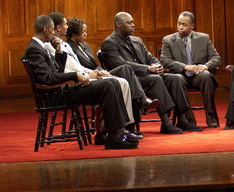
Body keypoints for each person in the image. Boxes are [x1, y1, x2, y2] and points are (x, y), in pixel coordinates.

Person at [23, 15, 138, 149]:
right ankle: (113, 135)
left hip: (61, 90)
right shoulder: (34, 49)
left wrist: (59, 52)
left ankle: (115, 132)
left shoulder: (40, 47)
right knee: (107, 85)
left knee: (112, 83)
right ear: (46, 30)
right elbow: (47, 79)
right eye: (53, 29)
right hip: (55, 95)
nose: (54, 32)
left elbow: (56, 71)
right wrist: (75, 75)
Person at [45, 12, 151, 142]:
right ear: (58, 28)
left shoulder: (66, 44)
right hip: (74, 82)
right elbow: (61, 70)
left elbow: (80, 65)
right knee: (113, 83)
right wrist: (88, 74)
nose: (67, 27)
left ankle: (125, 126)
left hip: (85, 76)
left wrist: (96, 72)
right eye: (65, 24)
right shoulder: (51, 46)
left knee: (122, 81)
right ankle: (112, 130)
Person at [101, 12, 202, 133]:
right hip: (131, 80)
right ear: (118, 24)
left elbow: (151, 58)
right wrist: (148, 69)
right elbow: (121, 64)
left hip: (147, 76)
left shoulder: (137, 40)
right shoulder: (109, 43)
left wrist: (157, 65)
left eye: (133, 22)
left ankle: (183, 120)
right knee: (156, 79)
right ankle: (166, 123)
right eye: (129, 23)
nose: (133, 25)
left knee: (176, 78)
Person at [160, 11, 222, 128]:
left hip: (198, 75)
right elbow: (164, 60)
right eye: (179, 24)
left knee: (206, 75)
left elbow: (216, 58)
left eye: (184, 24)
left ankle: (210, 116)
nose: (181, 27)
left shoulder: (203, 38)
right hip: (180, 75)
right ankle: (188, 119)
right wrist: (185, 67)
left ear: (192, 25)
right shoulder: (168, 40)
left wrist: (206, 66)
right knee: (177, 79)